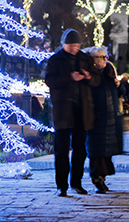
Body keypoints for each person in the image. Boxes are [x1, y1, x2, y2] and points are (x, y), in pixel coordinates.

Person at [44, 29, 93, 197]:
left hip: (82, 111)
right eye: (71, 45)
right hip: (63, 112)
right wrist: (70, 77)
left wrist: (88, 77)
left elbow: (96, 80)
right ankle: (61, 186)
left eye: (77, 45)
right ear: (63, 44)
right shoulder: (55, 60)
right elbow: (50, 81)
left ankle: (77, 183)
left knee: (80, 150)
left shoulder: (85, 59)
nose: (74, 48)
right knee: (61, 151)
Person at [84, 47, 123, 194]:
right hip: (96, 119)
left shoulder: (109, 73)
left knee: (107, 152)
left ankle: (103, 178)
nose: (104, 60)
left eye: (105, 57)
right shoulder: (90, 76)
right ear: (93, 60)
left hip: (110, 118)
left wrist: (119, 85)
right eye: (100, 57)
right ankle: (97, 179)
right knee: (97, 152)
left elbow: (120, 92)